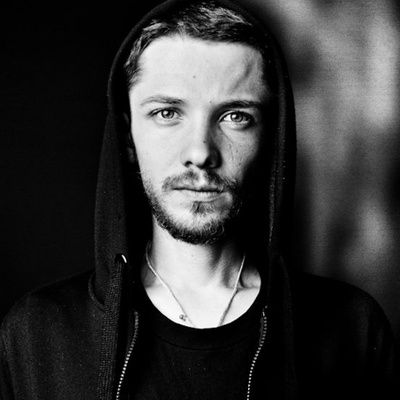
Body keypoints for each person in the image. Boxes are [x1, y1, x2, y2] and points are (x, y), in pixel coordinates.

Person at [0, 0, 398, 399]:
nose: (201, 152)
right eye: (167, 113)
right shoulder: (37, 335)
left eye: (235, 116)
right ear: (128, 137)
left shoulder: (353, 330)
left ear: (271, 139)